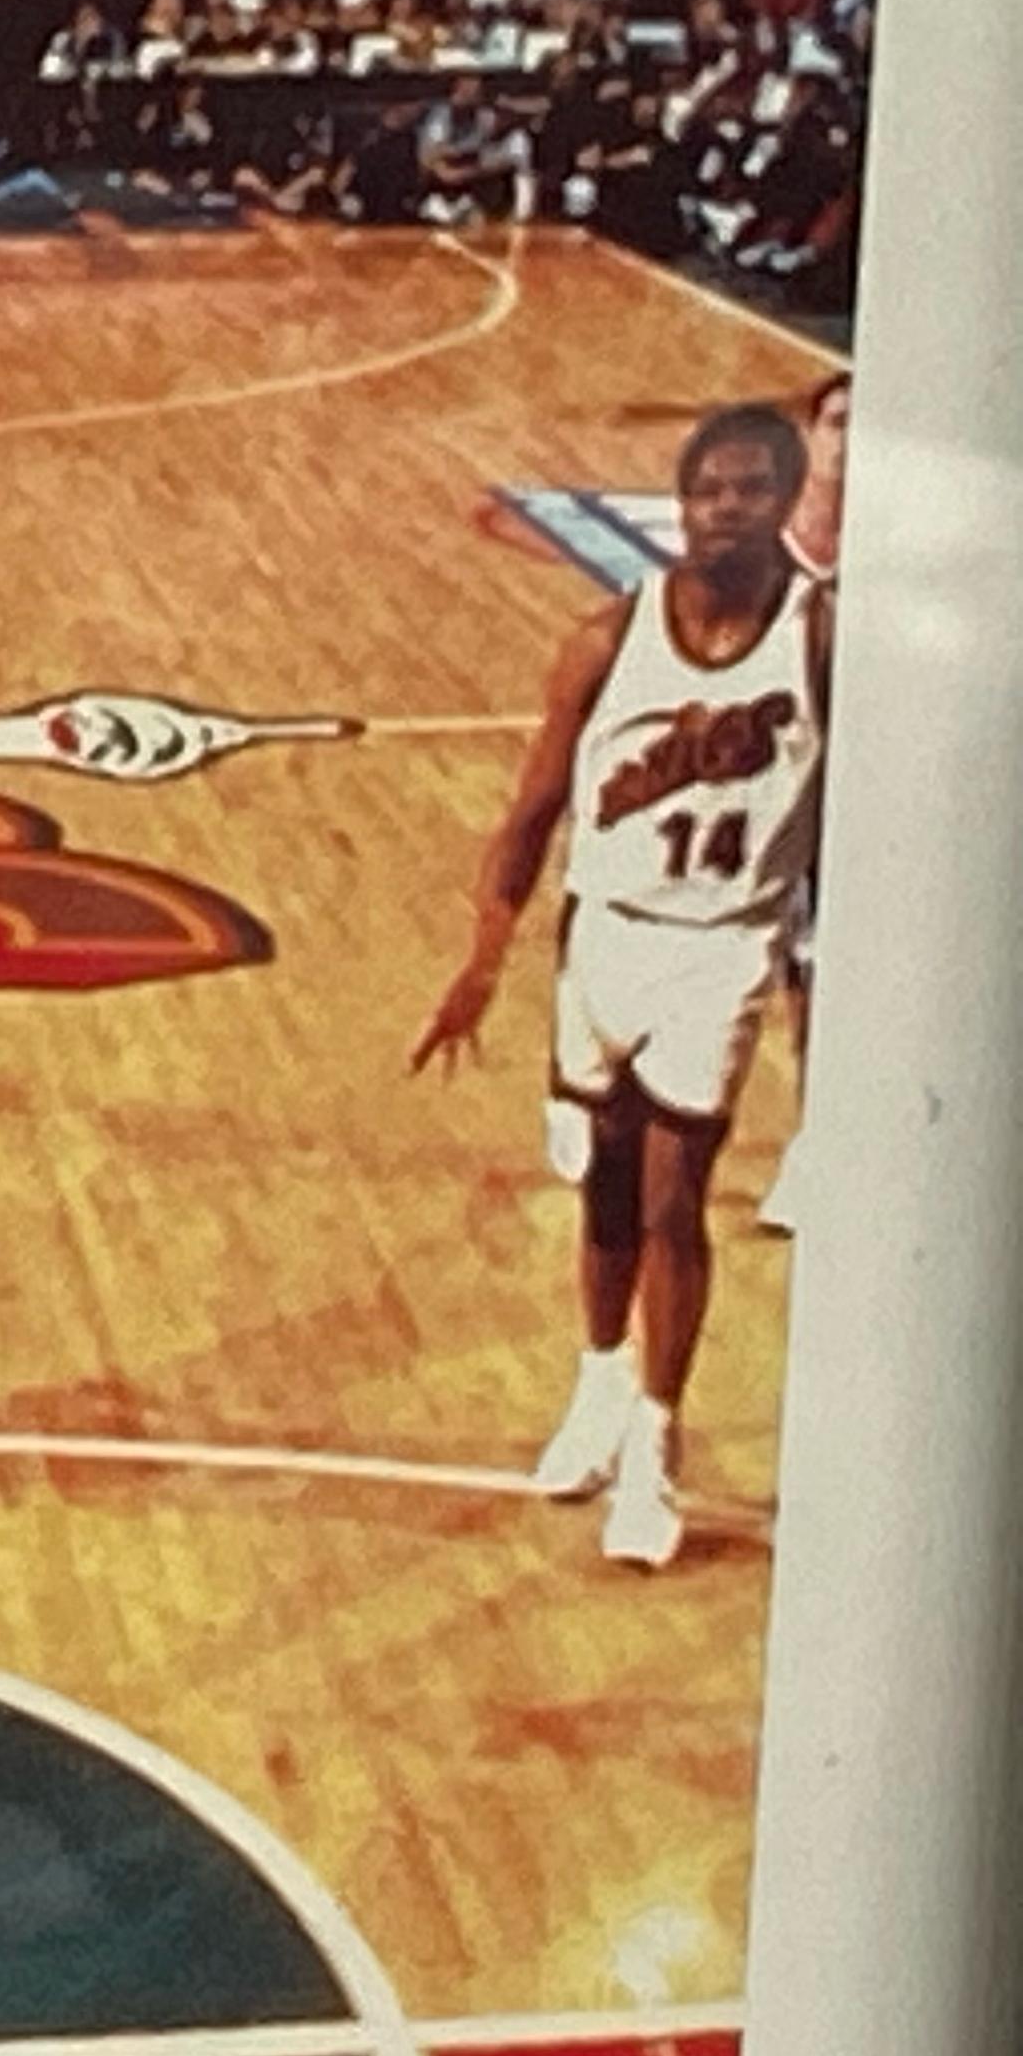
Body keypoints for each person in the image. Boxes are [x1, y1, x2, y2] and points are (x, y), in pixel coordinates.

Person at [413, 402, 830, 1567]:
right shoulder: (606, 638)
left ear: (788, 501)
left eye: (752, 488)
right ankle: (598, 1385)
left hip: (724, 943)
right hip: (606, 935)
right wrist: (483, 961)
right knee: (602, 1189)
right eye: (709, 489)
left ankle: (656, 1446)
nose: (726, 508)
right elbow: (531, 813)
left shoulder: (820, 639)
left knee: (670, 1200)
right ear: (682, 503)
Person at [758, 365, 849, 1234]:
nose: (850, 443)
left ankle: (815, 1146)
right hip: (755, 793)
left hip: (846, 797)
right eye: (838, 424)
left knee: (818, 980)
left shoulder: (888, 558)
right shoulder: (758, 550)